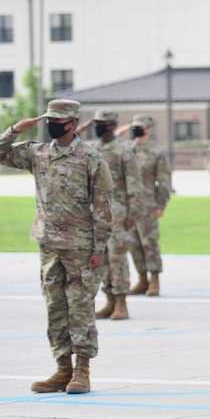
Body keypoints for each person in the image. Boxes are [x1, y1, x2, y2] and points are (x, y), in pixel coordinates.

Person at [0, 100, 113, 394]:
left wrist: (98, 249)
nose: (52, 124)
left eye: (58, 120)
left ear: (73, 123)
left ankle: (82, 372)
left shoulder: (90, 158)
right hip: (49, 244)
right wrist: (13, 130)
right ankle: (62, 369)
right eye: (49, 119)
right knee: (55, 307)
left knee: (80, 307)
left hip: (81, 246)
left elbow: (103, 206)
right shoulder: (37, 153)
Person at [80, 110, 141, 321]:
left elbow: (134, 184)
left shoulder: (124, 151)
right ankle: (109, 300)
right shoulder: (92, 149)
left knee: (117, 257)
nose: (98, 126)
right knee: (101, 258)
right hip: (95, 214)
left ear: (112, 126)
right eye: (96, 123)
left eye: (103, 124)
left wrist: (132, 213)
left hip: (118, 213)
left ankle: (121, 302)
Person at [126, 115, 171, 296]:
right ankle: (142, 279)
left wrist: (161, 205)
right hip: (129, 206)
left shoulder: (156, 152)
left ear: (149, 129)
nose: (136, 129)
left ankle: (155, 280)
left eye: (141, 126)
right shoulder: (127, 149)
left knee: (149, 243)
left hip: (147, 205)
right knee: (133, 244)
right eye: (134, 126)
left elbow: (164, 181)